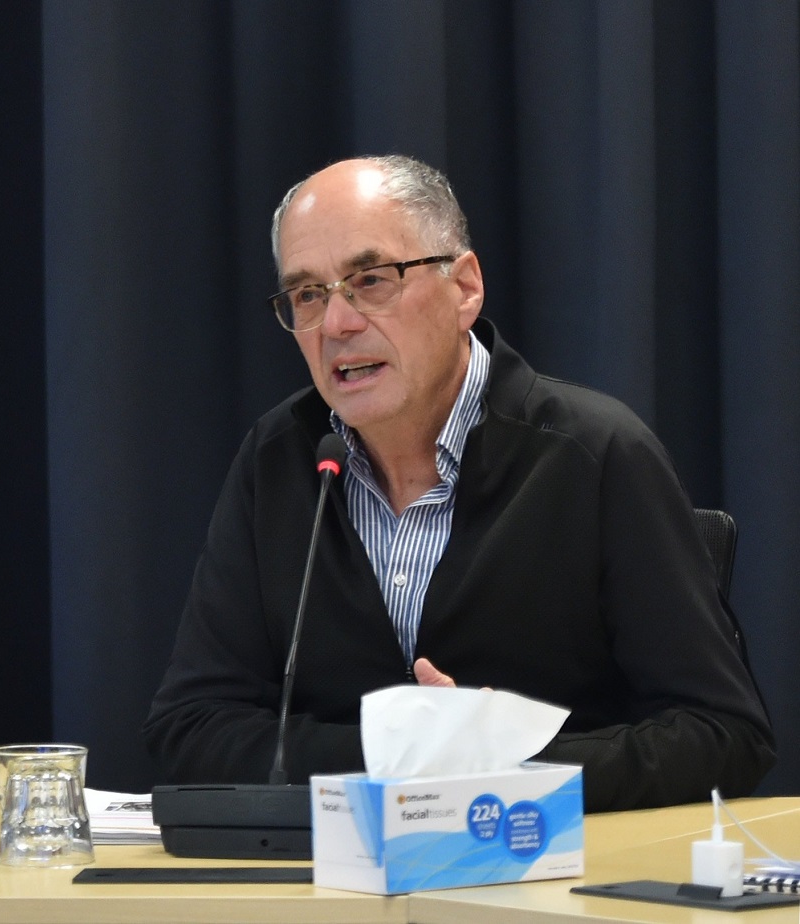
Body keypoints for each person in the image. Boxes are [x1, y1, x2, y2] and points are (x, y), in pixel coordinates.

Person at [143, 155, 772, 812]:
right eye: (306, 295)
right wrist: (404, 759)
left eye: (369, 280)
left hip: (547, 881)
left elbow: (723, 735)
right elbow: (189, 724)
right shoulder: (279, 460)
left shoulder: (593, 455)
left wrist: (503, 771)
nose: (335, 325)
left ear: (463, 287)